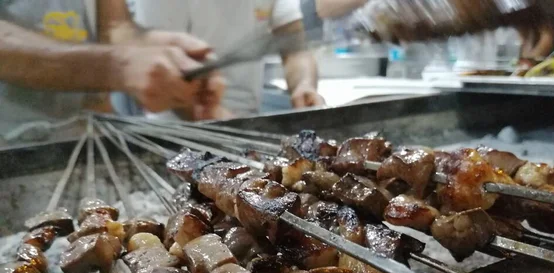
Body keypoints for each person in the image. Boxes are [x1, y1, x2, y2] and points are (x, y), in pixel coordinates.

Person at [0, 0, 224, 137]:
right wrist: (116, 65)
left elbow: (115, 26)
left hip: (93, 136)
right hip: (13, 149)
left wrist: (157, 49)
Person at [131, 0, 325, 119]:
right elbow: (161, 72)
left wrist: (304, 86)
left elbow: (295, 48)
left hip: (249, 118)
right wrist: (215, 115)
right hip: (178, 129)